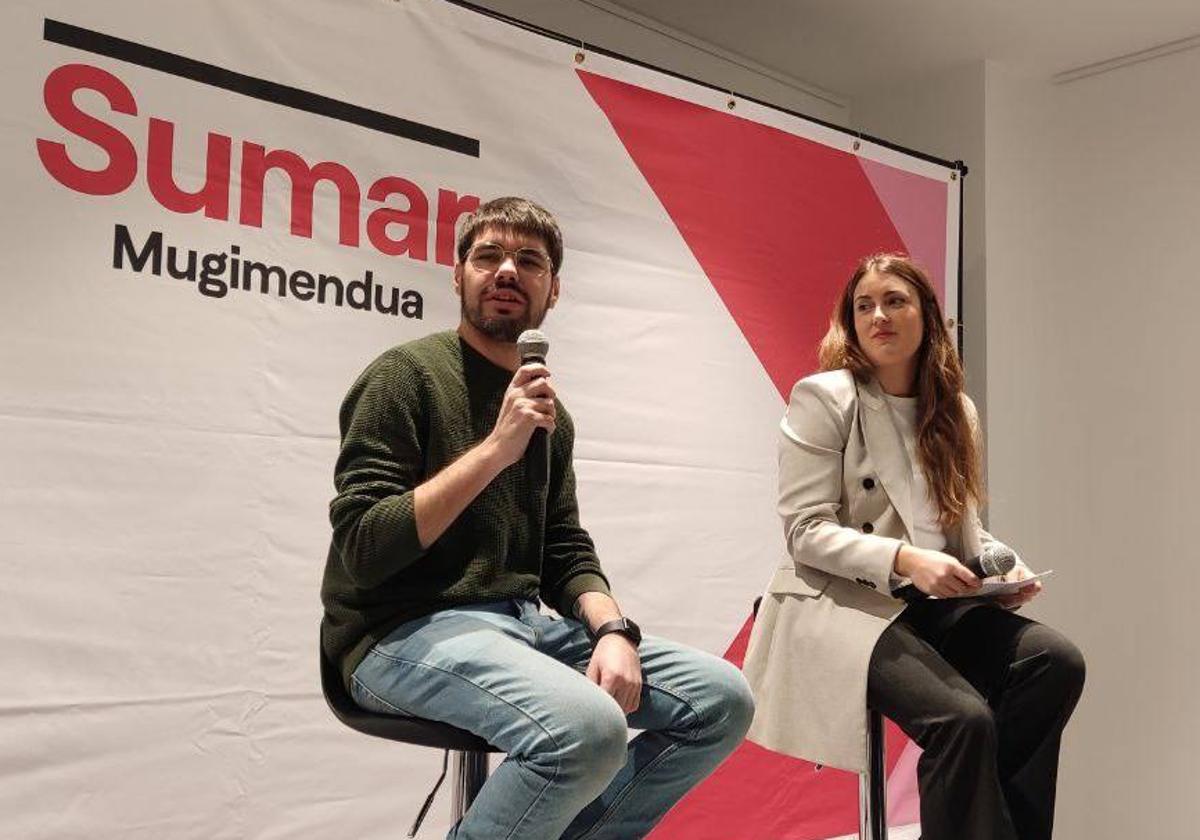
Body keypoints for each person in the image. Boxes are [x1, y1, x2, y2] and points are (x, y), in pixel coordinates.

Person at [320, 196, 753, 840]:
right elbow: (364, 547)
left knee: (722, 700)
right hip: (396, 633)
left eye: (529, 261)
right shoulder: (403, 378)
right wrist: (496, 450)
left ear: (554, 289)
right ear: (457, 274)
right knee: (587, 729)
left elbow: (563, 548)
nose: (506, 271)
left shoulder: (551, 415)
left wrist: (615, 631)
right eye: (488, 255)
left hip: (521, 626)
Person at [742, 254, 1084, 840]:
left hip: (927, 604)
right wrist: (906, 561)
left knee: (1053, 664)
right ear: (849, 322)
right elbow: (805, 532)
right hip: (839, 604)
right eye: (864, 305)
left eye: (895, 301)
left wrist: (1001, 565)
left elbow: (958, 527)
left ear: (927, 314)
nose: (879, 315)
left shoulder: (956, 411)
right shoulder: (824, 398)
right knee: (963, 720)